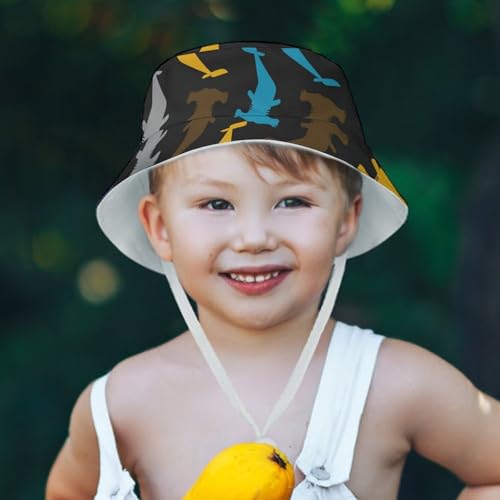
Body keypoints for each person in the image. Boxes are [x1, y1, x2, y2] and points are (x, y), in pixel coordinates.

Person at [45, 41, 500, 500]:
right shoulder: (123, 404)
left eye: (292, 201)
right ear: (160, 227)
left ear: (346, 220)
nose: (254, 237)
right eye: (216, 204)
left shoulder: (394, 382)